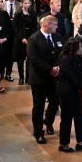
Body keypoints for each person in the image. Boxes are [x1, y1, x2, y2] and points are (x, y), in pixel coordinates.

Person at [28, 14, 63, 143]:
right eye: (55, 24)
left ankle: (48, 121)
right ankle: (38, 132)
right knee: (39, 105)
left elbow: (62, 52)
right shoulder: (34, 39)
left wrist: (59, 67)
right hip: (39, 78)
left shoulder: (57, 36)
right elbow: (34, 60)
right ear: (46, 25)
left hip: (54, 77)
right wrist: (50, 69)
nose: (57, 27)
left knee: (55, 101)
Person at [57, 37, 82, 153]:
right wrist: (81, 85)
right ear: (74, 47)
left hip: (77, 91)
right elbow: (71, 77)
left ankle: (81, 142)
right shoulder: (65, 59)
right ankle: (64, 144)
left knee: (80, 117)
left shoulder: (78, 58)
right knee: (66, 119)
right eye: (80, 46)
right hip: (67, 93)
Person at [14, 0, 38, 84]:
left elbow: (35, 26)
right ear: (22, 3)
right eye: (25, 3)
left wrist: (31, 38)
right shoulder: (18, 13)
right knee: (20, 59)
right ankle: (21, 77)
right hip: (20, 38)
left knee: (29, 59)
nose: (27, 5)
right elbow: (15, 28)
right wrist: (22, 38)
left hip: (30, 37)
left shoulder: (33, 12)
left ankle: (28, 78)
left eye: (28, 3)